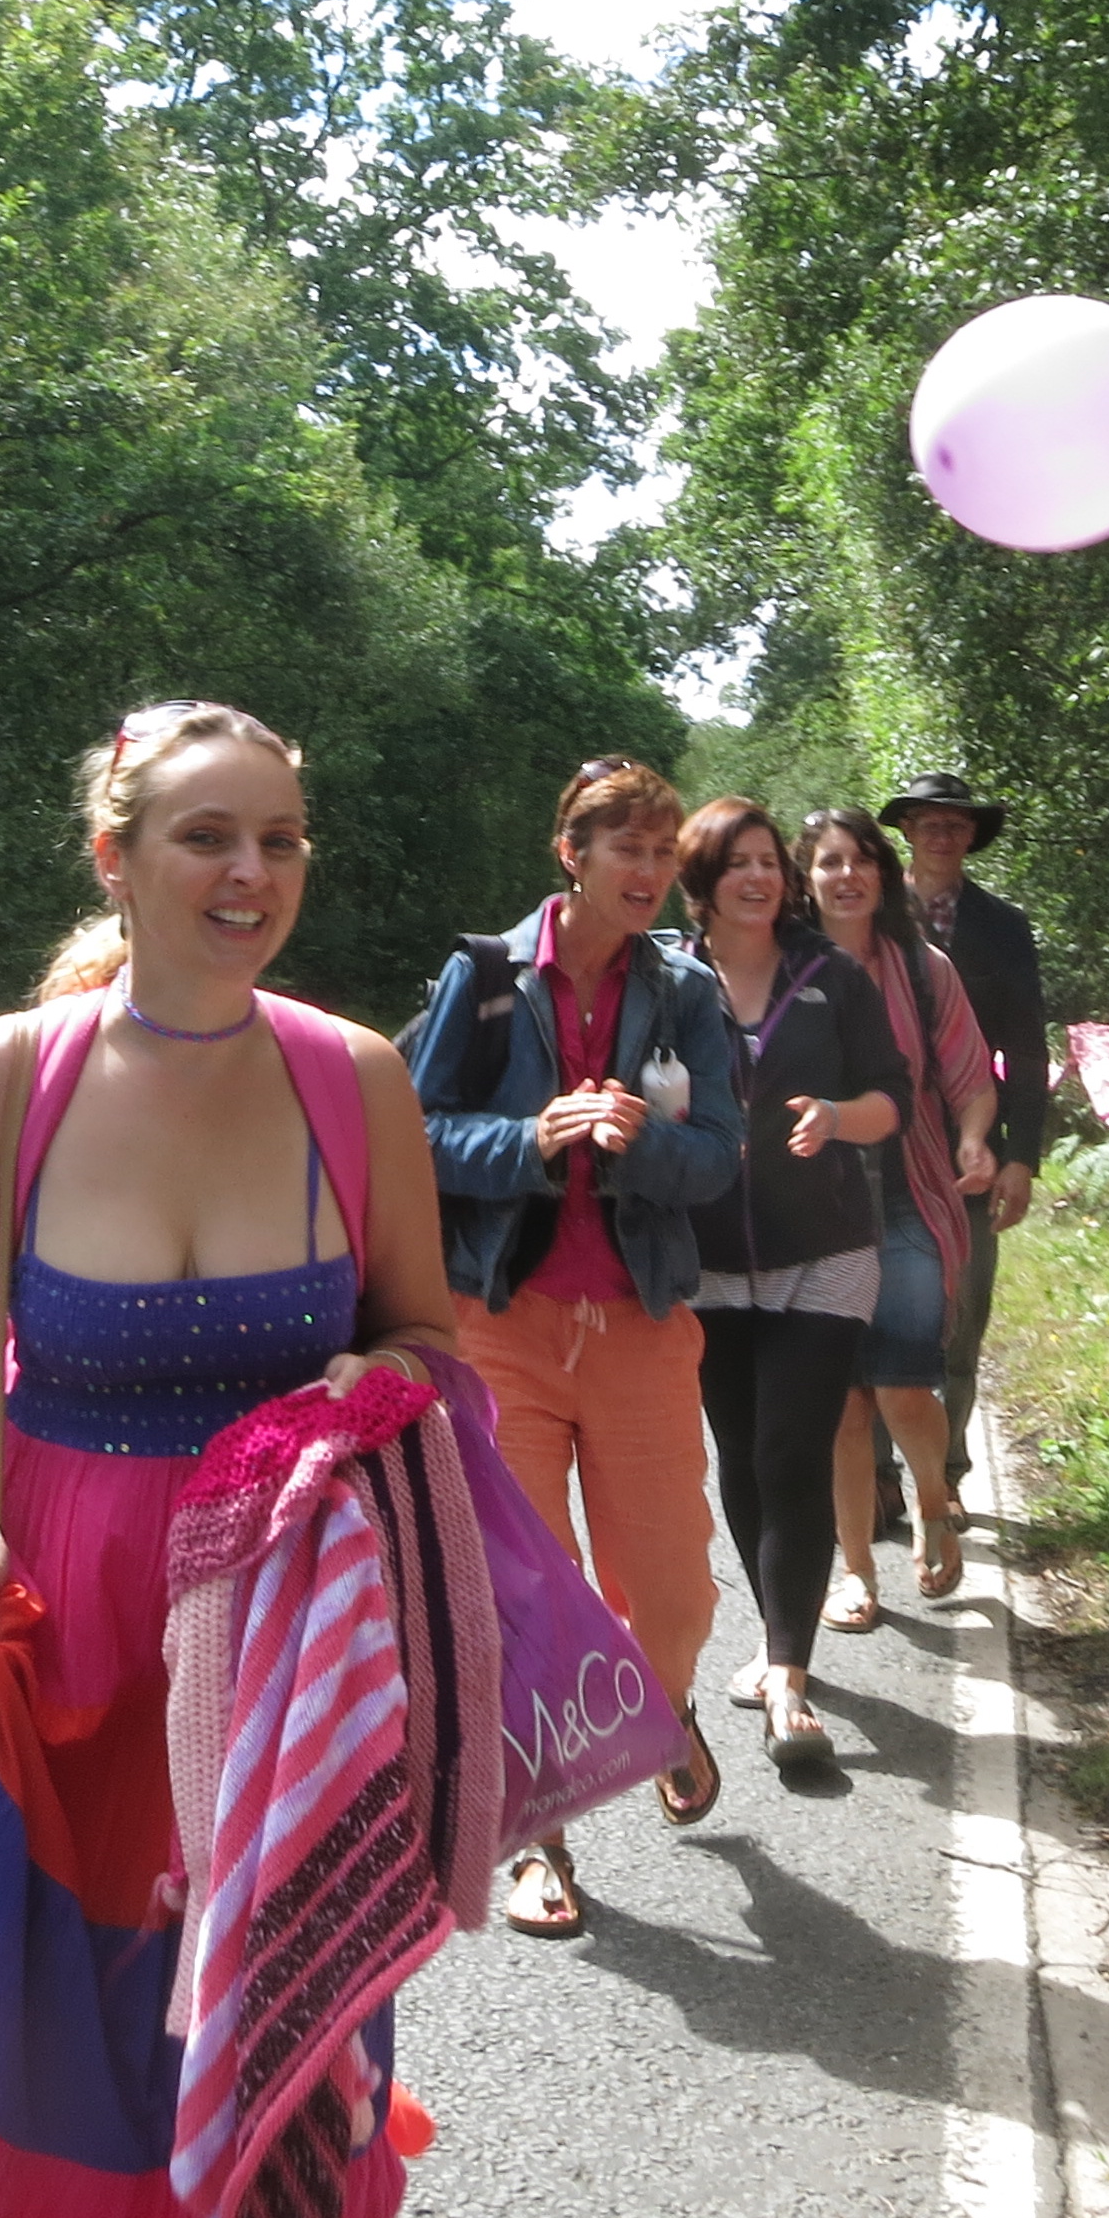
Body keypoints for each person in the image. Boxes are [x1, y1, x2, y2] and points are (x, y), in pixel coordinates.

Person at [0, 701, 463, 2218]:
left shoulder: (354, 1078)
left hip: (281, 1664)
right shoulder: (9, 1075)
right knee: (30, 2052)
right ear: (115, 857)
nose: (252, 873)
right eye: (207, 837)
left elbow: (428, 1336)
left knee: (270, 2045)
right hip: (56, 1645)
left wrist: (361, 1388)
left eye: (280, 840)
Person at [403, 757, 744, 1940]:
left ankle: (664, 1707)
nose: (648, 871)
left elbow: (720, 1158)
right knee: (523, 1597)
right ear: (573, 855)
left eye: (661, 852)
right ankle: (540, 1843)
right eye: (626, 850)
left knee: (671, 1585)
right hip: (503, 1327)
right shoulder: (489, 976)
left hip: (640, 1325)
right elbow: (415, 1127)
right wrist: (532, 1139)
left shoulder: (685, 990)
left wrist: (644, 1140)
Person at [676, 796, 906, 1769]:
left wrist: (837, 1118)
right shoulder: (666, 978)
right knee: (740, 1453)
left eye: (770, 860)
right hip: (707, 1260)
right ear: (703, 879)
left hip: (827, 1253)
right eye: (738, 862)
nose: (760, 877)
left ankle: (788, 1678)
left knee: (789, 1451)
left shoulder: (831, 976)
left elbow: (892, 1099)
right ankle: (783, 1632)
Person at [798, 805, 999, 1626]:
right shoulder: (784, 971)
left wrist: (975, 1141)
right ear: (806, 880)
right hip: (816, 1209)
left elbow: (970, 1077)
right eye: (829, 862)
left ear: (883, 874)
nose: (847, 875)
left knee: (903, 1385)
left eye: (861, 860)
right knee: (843, 1403)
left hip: (909, 1193)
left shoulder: (922, 970)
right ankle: (856, 1574)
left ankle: (930, 1496)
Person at [883, 773, 1049, 1496]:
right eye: (929, 822)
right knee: (877, 1319)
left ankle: (945, 1474)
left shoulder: (1003, 926)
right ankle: (879, 1476)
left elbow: (1028, 1050)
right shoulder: (868, 912)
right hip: (879, 1147)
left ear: (972, 835)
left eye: (955, 824)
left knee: (961, 1318)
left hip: (970, 1153)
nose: (942, 835)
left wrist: (1022, 1158)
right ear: (907, 831)